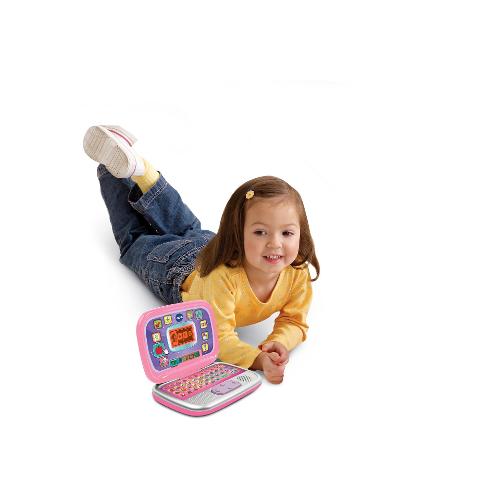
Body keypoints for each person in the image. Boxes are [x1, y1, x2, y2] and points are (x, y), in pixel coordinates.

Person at [83, 125, 320, 384]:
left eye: (287, 233)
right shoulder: (223, 279)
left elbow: (294, 322)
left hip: (212, 246)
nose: (275, 244)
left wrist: (279, 341)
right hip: (176, 269)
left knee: (188, 227)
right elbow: (220, 338)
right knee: (133, 242)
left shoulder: (297, 272)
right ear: (237, 233)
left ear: (301, 233)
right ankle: (110, 172)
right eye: (261, 232)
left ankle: (142, 170)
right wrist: (258, 359)